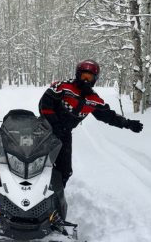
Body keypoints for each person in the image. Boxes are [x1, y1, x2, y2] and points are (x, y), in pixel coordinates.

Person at [39, 59, 143, 187]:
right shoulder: (63, 86)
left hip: (64, 135)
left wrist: (127, 123)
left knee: (65, 171)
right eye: (84, 76)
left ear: (95, 79)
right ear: (78, 74)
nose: (86, 80)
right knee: (37, 163)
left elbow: (109, 116)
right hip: (44, 129)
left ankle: (55, 197)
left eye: (90, 77)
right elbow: (44, 104)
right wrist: (54, 124)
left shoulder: (94, 99)